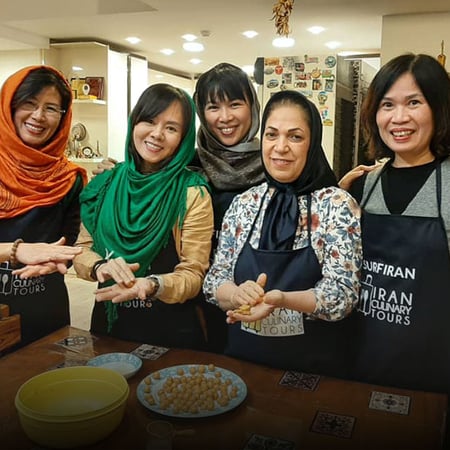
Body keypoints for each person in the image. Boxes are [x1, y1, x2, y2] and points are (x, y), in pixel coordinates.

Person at [93, 63, 264, 353]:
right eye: (212, 107)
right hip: (197, 303)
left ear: (253, 107)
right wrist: (115, 175)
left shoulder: (275, 165)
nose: (225, 117)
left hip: (260, 297)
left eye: (235, 104)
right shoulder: (191, 167)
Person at [203, 89, 362, 377]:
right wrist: (236, 294)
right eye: (272, 134)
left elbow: (343, 295)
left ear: (312, 143)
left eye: (295, 136)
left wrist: (282, 300)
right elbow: (215, 280)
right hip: (242, 362)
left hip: (313, 372)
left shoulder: (336, 204)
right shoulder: (244, 203)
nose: (280, 147)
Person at [339, 53, 450, 394]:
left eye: (414, 102)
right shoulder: (362, 184)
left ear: (439, 108)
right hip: (360, 357)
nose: (399, 118)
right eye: (387, 105)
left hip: (432, 370)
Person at [73, 83, 213, 350]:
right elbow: (81, 250)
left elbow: (194, 274)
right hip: (109, 323)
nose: (157, 134)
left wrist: (151, 284)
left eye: (171, 128)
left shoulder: (192, 192)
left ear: (183, 138)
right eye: (149, 121)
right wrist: (99, 266)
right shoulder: (104, 183)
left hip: (172, 330)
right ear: (134, 122)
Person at [0, 65, 88, 348]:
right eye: (29, 104)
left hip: (46, 311)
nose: (38, 116)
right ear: (8, 106)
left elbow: (71, 242)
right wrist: (17, 250)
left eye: (51, 108)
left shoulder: (70, 179)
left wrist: (67, 257)